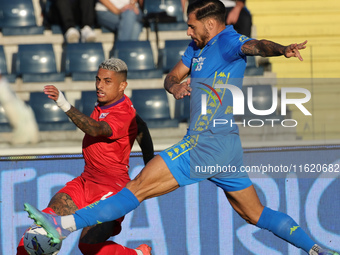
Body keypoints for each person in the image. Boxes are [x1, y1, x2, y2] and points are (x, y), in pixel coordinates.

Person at [24, 1, 339, 255]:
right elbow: (171, 76)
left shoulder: (228, 40)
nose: (187, 30)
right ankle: (315, 248)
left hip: (203, 143)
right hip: (226, 149)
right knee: (255, 214)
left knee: (136, 188)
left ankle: (63, 225)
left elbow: (256, 46)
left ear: (210, 24)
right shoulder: (196, 49)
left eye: (191, 25)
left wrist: (282, 49)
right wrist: (173, 87)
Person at [18, 58, 153, 255]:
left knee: (88, 247)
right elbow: (141, 127)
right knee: (40, 229)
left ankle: (139, 254)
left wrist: (63, 103)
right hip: (86, 181)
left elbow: (95, 128)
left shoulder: (123, 113)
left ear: (122, 85)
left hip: (112, 190)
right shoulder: (111, 103)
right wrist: (149, 162)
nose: (99, 86)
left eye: (107, 81)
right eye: (98, 79)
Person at [0, 75, 39, 145]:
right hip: (8, 103)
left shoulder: (3, 83)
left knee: (27, 114)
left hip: (11, 101)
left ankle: (28, 140)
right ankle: (21, 141)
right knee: (20, 121)